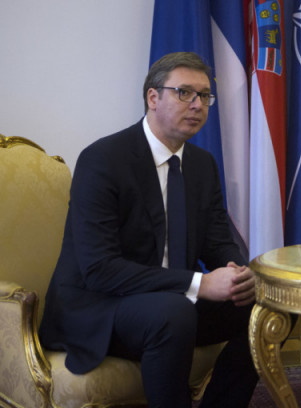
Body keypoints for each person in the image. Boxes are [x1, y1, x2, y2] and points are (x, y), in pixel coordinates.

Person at [39, 52, 259, 408]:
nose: (197, 104)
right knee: (173, 313)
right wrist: (202, 284)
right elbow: (100, 270)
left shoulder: (202, 165)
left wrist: (239, 274)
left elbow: (218, 242)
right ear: (153, 98)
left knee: (268, 305)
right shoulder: (103, 159)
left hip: (171, 301)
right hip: (101, 306)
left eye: (204, 96)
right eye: (184, 93)